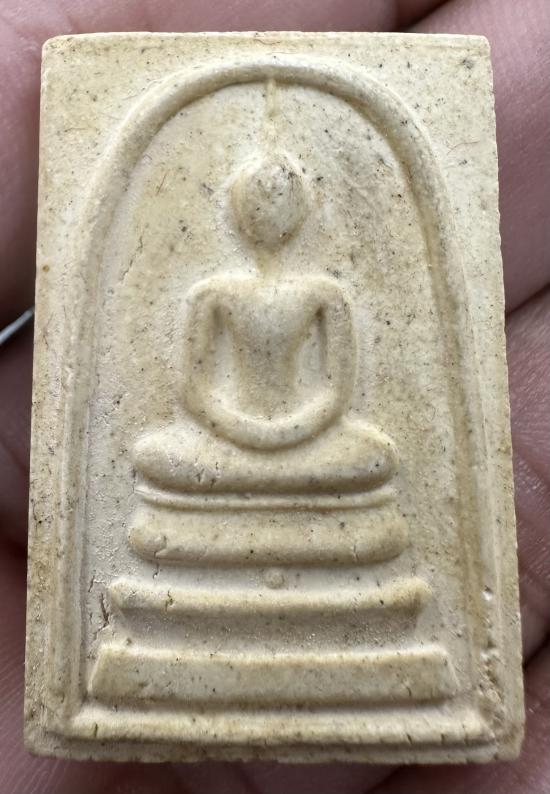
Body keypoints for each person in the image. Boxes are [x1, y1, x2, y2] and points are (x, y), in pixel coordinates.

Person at [0, 1, 548, 791]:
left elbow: (337, 389)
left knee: (371, 454)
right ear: (239, 214)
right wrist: (245, 432)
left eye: (280, 203)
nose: (267, 215)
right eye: (256, 204)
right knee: (163, 455)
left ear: (298, 214)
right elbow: (195, 390)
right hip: (222, 442)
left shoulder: (325, 292)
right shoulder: (213, 293)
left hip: (311, 440)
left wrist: (292, 431)